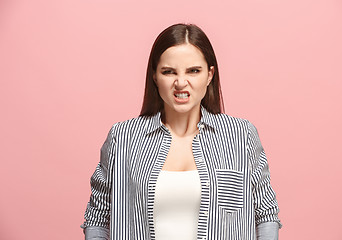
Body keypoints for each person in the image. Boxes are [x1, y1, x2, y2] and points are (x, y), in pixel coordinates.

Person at [81, 23, 282, 240]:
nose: (181, 83)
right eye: (169, 72)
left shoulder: (241, 136)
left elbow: (266, 214)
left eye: (193, 71)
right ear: (155, 76)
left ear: (209, 75)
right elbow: (98, 218)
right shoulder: (123, 138)